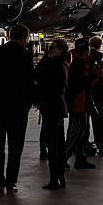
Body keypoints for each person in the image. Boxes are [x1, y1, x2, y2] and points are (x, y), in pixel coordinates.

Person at [0, 25, 34, 193]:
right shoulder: (25, 54)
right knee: (15, 147)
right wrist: (28, 103)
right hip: (18, 108)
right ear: (24, 38)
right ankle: (11, 182)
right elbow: (28, 82)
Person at [35, 39, 69, 190]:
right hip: (59, 108)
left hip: (51, 107)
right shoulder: (62, 64)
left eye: (53, 48)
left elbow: (36, 75)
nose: (50, 50)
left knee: (53, 145)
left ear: (60, 50)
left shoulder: (51, 64)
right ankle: (60, 178)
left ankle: (54, 179)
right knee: (59, 144)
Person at [65, 38, 96, 169]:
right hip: (79, 102)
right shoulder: (78, 63)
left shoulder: (75, 60)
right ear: (86, 49)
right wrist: (97, 75)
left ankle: (80, 157)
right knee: (78, 130)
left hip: (80, 102)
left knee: (81, 130)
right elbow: (83, 83)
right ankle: (64, 156)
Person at [87, 36, 103, 156]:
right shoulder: (100, 56)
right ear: (100, 44)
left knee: (84, 118)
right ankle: (101, 146)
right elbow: (98, 69)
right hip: (97, 89)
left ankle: (83, 144)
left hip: (86, 90)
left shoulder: (86, 56)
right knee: (98, 118)